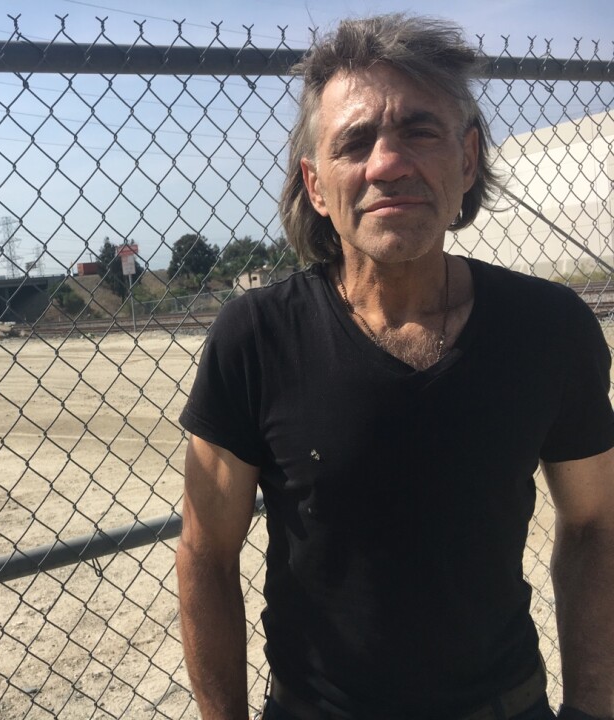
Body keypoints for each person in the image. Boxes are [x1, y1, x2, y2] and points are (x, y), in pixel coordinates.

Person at [176, 14, 614, 720]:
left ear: (467, 158)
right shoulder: (255, 338)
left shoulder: (549, 328)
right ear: (316, 186)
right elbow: (205, 552)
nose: (387, 163)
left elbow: (596, 524)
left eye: (419, 129)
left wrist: (593, 710)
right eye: (353, 142)